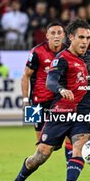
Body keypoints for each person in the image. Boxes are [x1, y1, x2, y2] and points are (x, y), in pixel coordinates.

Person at [7, 19, 90, 181]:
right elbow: (49, 80)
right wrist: (58, 90)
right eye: (81, 37)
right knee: (41, 155)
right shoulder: (58, 58)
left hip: (83, 113)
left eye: (88, 38)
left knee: (79, 144)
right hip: (52, 109)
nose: (84, 41)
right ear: (71, 37)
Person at [21, 21, 73, 162]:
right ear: (47, 36)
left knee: (70, 135)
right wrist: (25, 100)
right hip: (37, 102)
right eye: (53, 33)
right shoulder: (37, 52)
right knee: (41, 144)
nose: (56, 36)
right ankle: (30, 164)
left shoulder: (68, 52)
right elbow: (26, 75)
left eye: (59, 33)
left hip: (59, 101)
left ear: (64, 35)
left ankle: (72, 168)